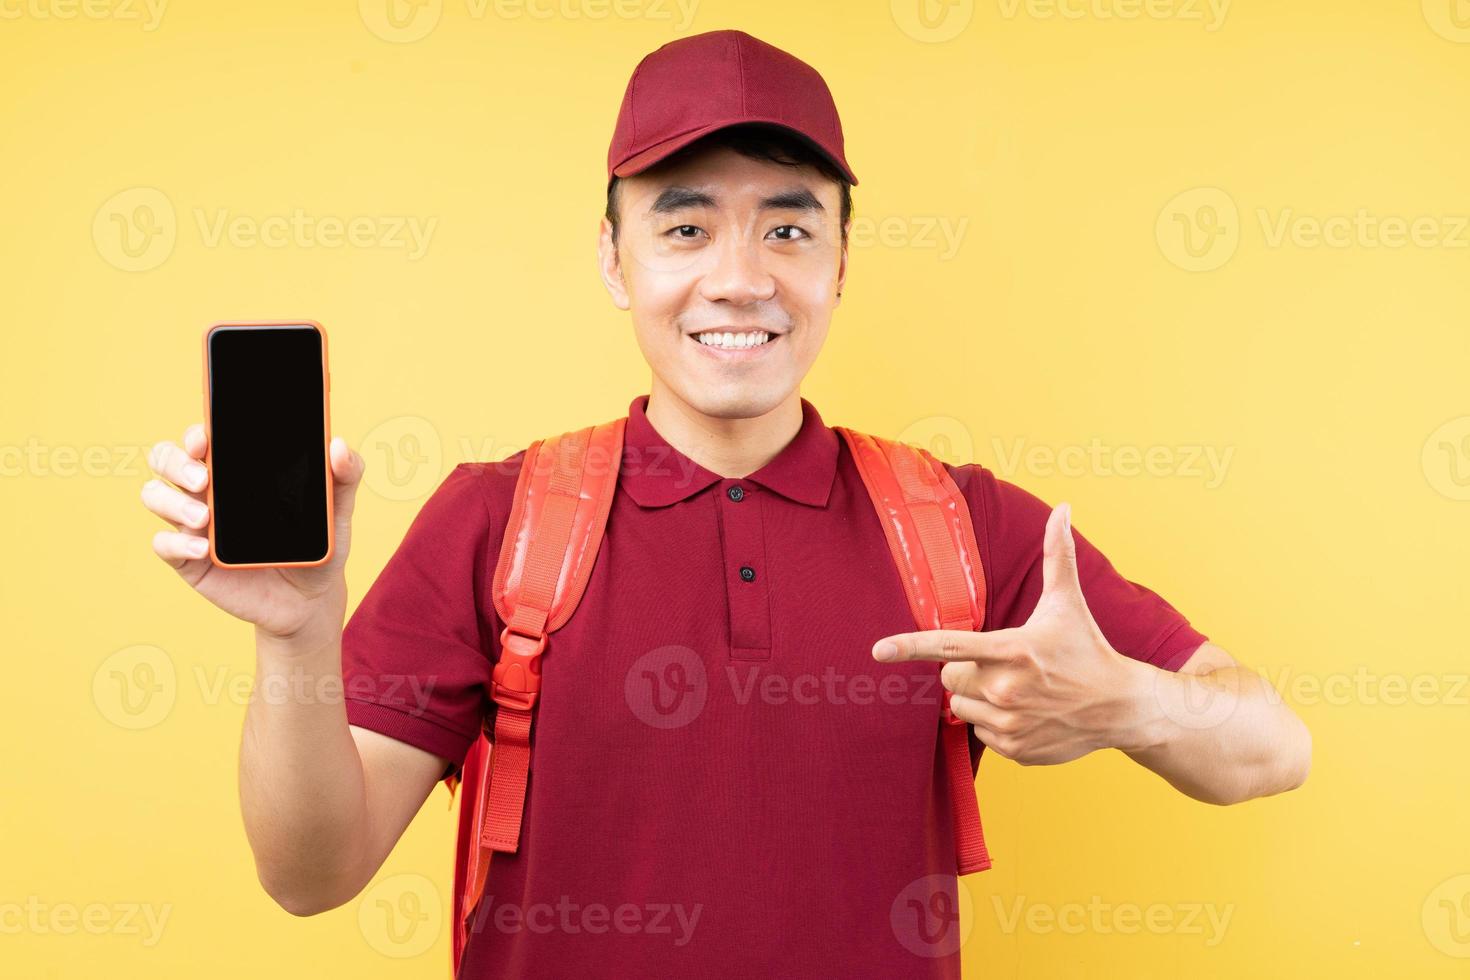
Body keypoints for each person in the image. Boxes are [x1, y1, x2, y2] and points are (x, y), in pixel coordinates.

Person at [141, 28, 1310, 979]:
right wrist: (295, 634)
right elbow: (310, 872)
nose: (740, 276)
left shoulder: (968, 524)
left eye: (789, 226)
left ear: (842, 262)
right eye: (685, 224)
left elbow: (1272, 744)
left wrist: (1128, 704)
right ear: (615, 260)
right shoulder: (497, 520)